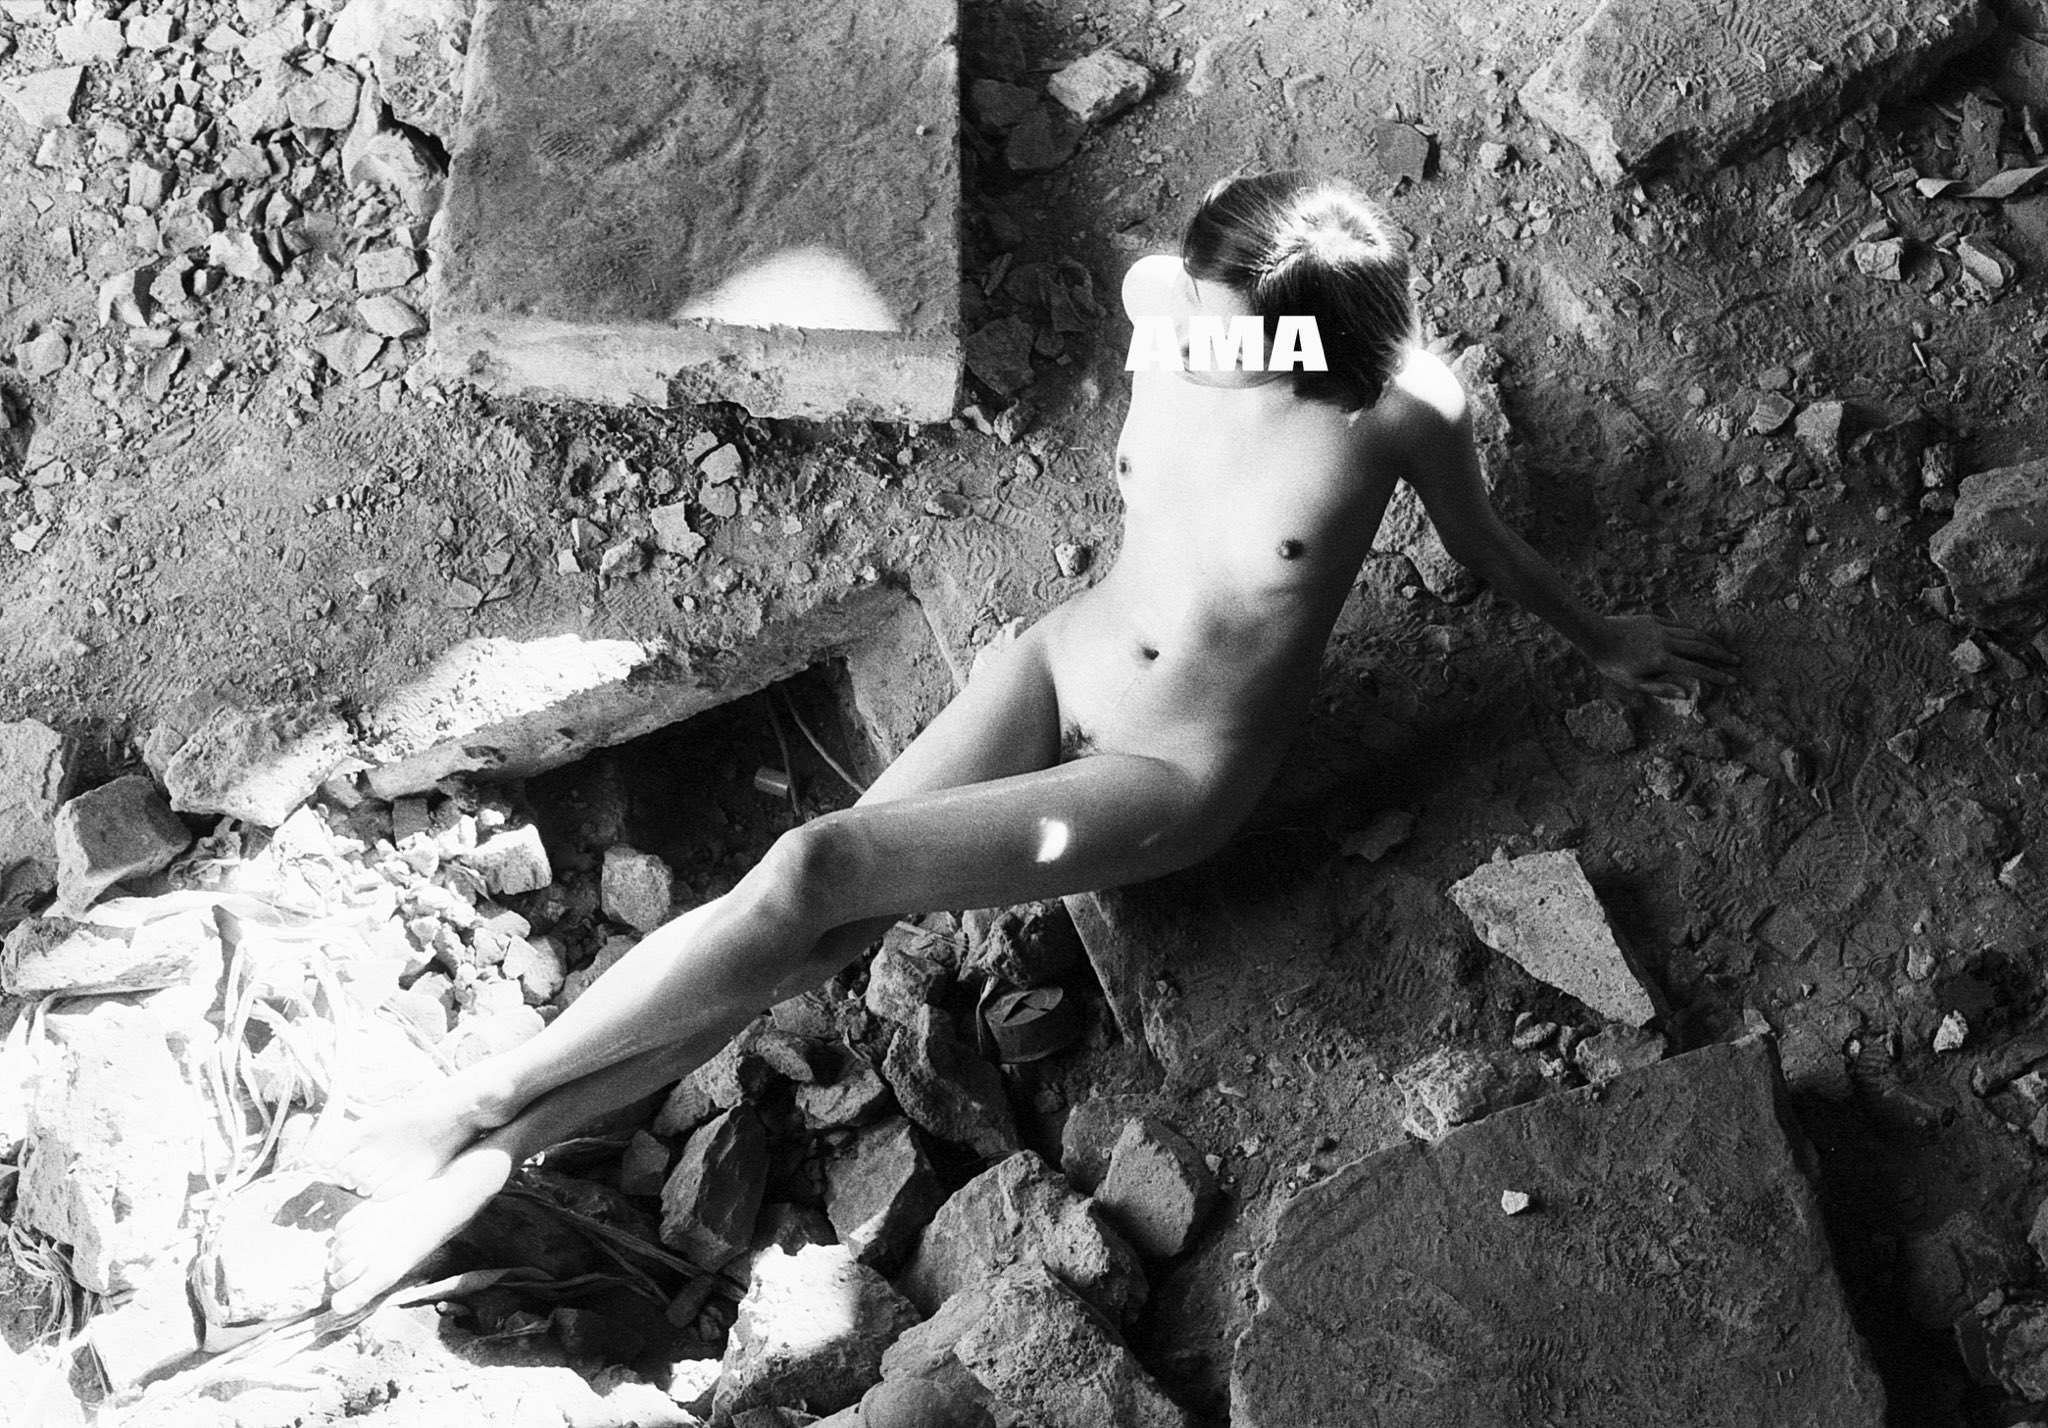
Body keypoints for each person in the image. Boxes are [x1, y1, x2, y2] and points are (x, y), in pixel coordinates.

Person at [322, 170, 1737, 1312]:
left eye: (1246, 335)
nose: (1204, 348)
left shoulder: (1395, 412)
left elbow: (1487, 545)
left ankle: (483, 1105)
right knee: (810, 927)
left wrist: (1606, 636)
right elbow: (1153, 296)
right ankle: (494, 1148)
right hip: (1062, 658)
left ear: (1320, 334)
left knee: (814, 876)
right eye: (1203, 316)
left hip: (1166, 774)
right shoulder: (1170, 303)